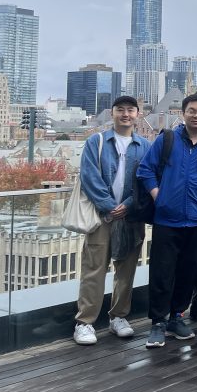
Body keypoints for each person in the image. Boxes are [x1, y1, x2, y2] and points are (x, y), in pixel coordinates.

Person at [137, 94, 197, 349]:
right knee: (162, 273)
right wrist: (158, 195)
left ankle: (177, 317)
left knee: (188, 273)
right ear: (183, 113)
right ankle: (157, 322)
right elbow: (145, 170)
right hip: (167, 220)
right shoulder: (167, 140)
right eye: (192, 111)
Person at [72, 96, 149, 345]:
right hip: (100, 216)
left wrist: (126, 206)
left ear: (138, 114)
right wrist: (108, 206)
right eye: (120, 110)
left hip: (131, 216)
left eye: (130, 110)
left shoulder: (145, 146)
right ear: (112, 113)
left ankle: (118, 316)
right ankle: (85, 322)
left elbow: (147, 179)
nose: (125, 114)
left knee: (126, 269)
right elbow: (89, 176)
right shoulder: (96, 141)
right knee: (94, 268)